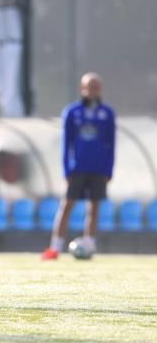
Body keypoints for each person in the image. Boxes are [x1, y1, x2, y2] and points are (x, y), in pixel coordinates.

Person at [42, 73, 115, 260]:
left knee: (94, 207)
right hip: (78, 168)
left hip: (98, 169)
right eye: (90, 87)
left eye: (97, 87)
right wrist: (67, 168)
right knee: (67, 205)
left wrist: (108, 169)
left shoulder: (107, 114)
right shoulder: (72, 112)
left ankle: (90, 244)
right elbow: (67, 143)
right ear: (83, 89)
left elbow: (111, 144)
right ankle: (55, 247)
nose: (93, 91)